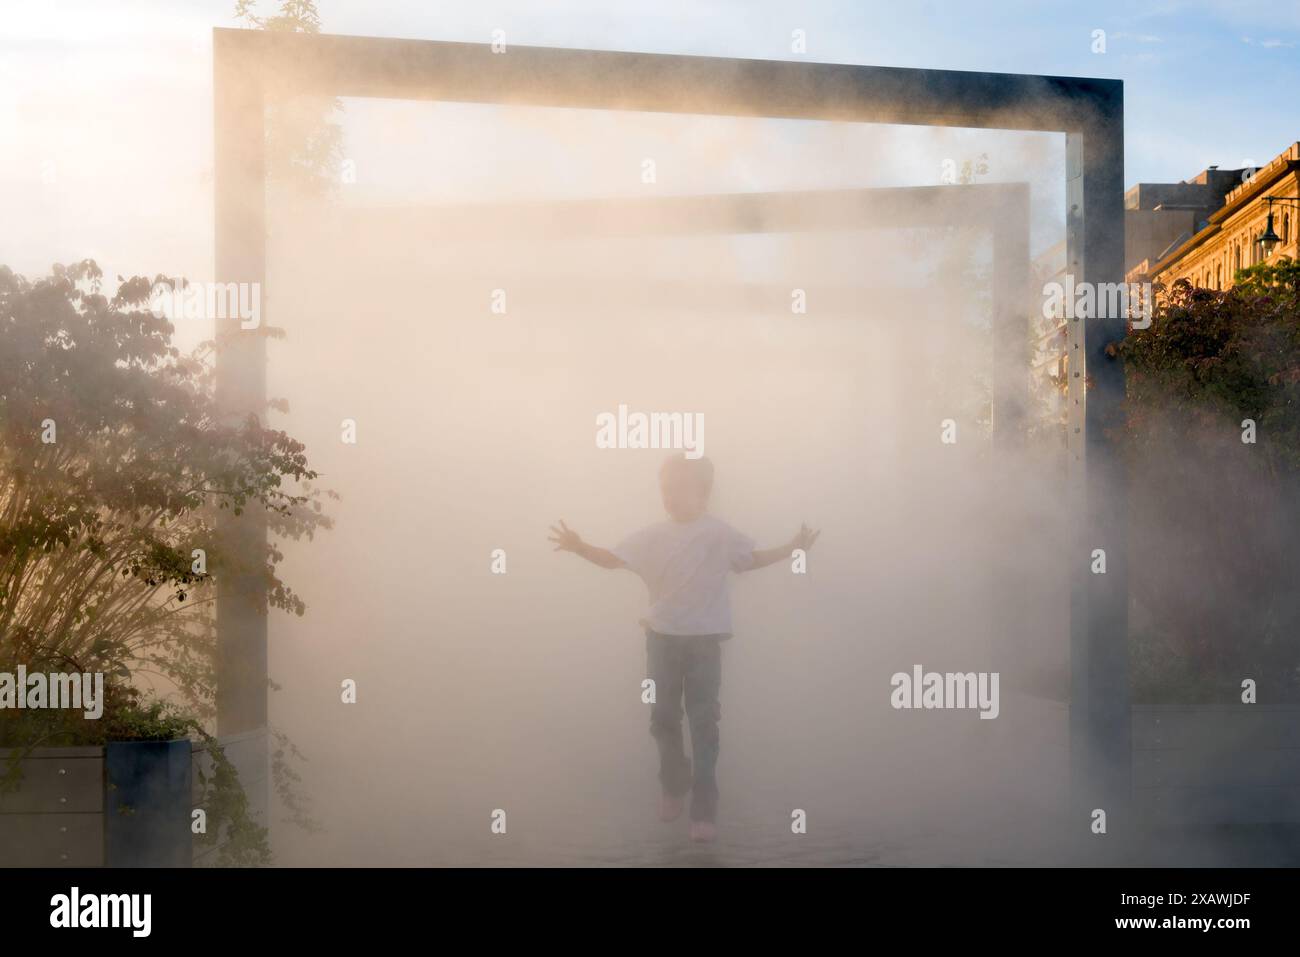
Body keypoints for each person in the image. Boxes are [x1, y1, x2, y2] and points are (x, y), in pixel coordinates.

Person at [548, 452, 819, 843]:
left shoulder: (718, 534)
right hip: (661, 640)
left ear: (703, 494)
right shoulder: (652, 536)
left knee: (704, 721)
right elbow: (612, 560)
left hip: (705, 643)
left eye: (679, 490)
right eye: (665, 490)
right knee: (662, 716)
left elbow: (751, 559)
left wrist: (792, 549)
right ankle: (674, 783)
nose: (670, 498)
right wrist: (579, 547)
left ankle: (704, 808)